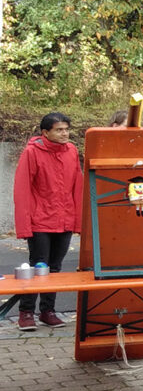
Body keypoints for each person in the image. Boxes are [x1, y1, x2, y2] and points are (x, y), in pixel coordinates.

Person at [13, 112, 84, 331]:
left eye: (66, 129)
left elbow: (77, 187)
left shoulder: (71, 151)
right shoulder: (31, 153)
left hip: (64, 219)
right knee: (38, 266)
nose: (65, 134)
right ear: (46, 133)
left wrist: (78, 222)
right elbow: (22, 190)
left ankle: (47, 311)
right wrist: (24, 225)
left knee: (55, 268)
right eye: (59, 130)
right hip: (40, 220)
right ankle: (26, 312)